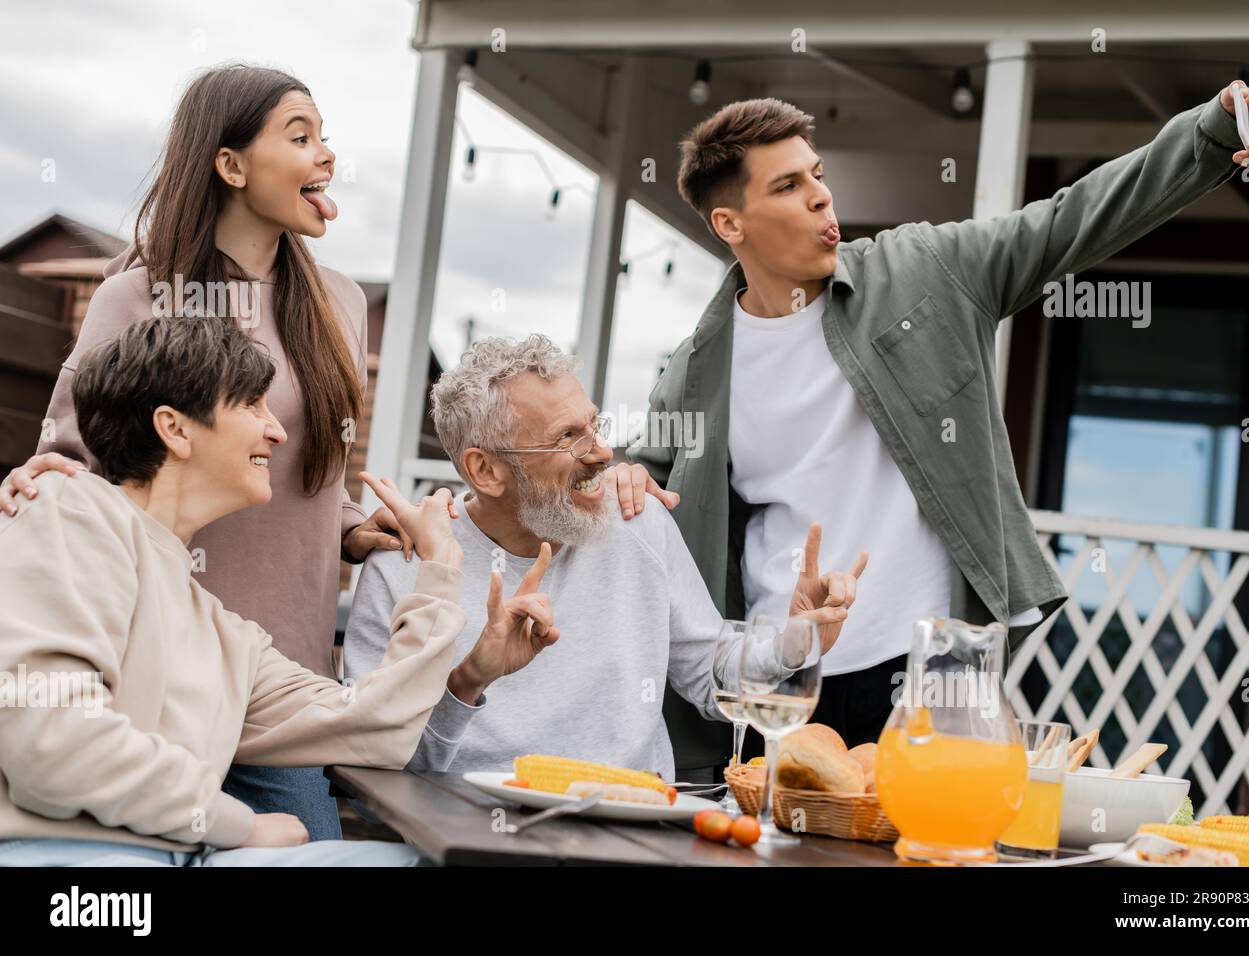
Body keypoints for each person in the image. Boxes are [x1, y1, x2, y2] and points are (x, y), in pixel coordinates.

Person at [609, 83, 1249, 763]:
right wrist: (624, 472)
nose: (821, 196)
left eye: (818, 174)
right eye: (788, 186)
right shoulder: (697, 370)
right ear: (731, 225)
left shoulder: (925, 271)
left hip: (934, 674)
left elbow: (1071, 218)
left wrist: (1212, 134)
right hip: (786, 682)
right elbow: (646, 484)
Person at [0, 64, 409, 839]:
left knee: (304, 848)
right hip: (146, 672)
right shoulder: (134, 294)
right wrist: (35, 477)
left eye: (326, 137)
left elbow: (323, 474)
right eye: (301, 136)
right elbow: (73, 457)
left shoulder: (343, 305)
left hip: (279, 679)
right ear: (230, 165)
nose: (326, 156)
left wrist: (355, 529)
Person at [0, 315, 488, 867]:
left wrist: (442, 570)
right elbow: (55, 744)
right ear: (175, 428)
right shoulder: (68, 512)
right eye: (252, 406)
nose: (277, 432)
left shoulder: (223, 634)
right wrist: (238, 824)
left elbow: (378, 725)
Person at [343, 334, 867, 779]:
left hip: (639, 832)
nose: (602, 453)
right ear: (485, 471)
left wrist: (793, 643)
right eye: (567, 437)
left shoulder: (638, 522)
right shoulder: (405, 563)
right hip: (473, 843)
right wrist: (467, 682)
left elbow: (710, 675)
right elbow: (378, 762)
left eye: (594, 425)